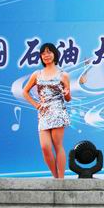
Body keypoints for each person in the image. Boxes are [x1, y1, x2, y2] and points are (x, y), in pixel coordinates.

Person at [22, 43, 71, 178]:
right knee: (45, 147)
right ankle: (55, 177)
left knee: (57, 146)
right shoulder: (37, 74)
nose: (46, 55)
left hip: (58, 111)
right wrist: (36, 105)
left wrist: (67, 93)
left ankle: (60, 179)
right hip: (43, 113)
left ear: (55, 54)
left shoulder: (63, 75)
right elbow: (25, 91)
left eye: (49, 52)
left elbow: (68, 98)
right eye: (43, 53)